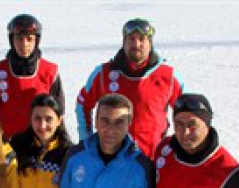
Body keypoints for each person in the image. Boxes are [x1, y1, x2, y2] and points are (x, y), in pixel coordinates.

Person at [76, 18, 183, 159]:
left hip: (151, 157)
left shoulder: (167, 76)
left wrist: (181, 144)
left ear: (150, 43)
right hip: (111, 156)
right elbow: (83, 104)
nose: (136, 44)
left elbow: (186, 111)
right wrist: (87, 139)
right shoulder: (104, 73)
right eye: (131, 39)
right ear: (124, 42)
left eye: (142, 39)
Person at [0, 14, 65, 140]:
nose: (24, 44)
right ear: (11, 40)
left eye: (29, 39)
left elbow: (59, 113)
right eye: (19, 39)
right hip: (5, 143)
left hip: (39, 141)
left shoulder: (49, 72)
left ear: (36, 41)